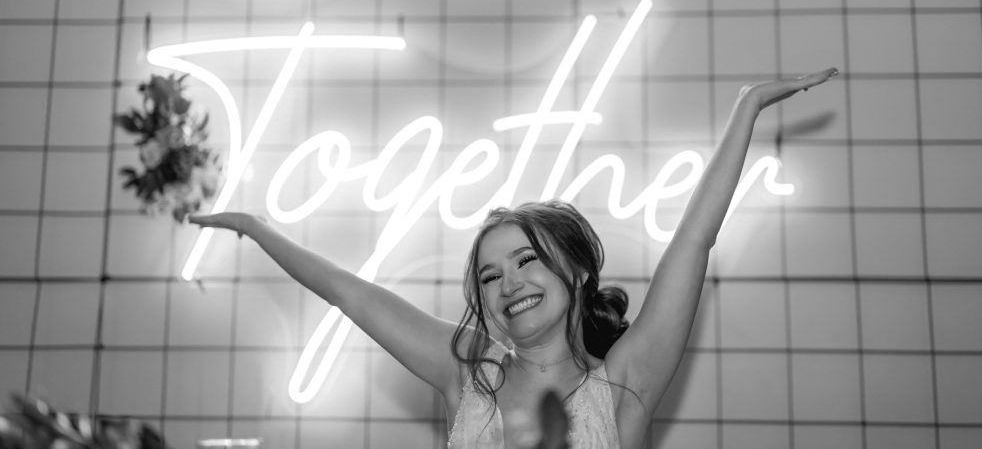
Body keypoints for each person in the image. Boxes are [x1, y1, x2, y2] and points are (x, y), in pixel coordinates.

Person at [190, 68, 838, 448]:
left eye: (527, 260)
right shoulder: (468, 374)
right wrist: (255, 225)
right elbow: (349, 292)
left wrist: (746, 105)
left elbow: (693, 239)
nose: (510, 282)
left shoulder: (623, 386)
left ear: (576, 271)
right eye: (491, 274)